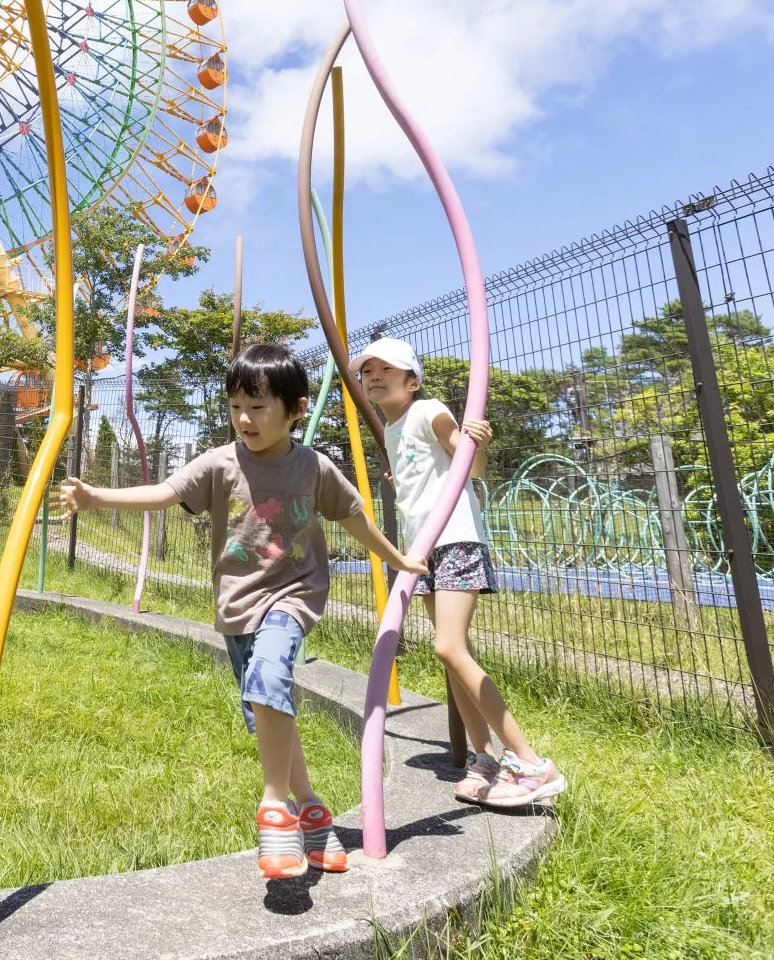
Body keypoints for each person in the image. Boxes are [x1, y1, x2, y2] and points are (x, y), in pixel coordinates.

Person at [55, 343, 426, 879]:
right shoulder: (220, 463)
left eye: (258, 407)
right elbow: (165, 493)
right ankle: (311, 808)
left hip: (292, 596)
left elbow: (355, 518)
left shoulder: (313, 467)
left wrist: (399, 561)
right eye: (235, 407)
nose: (244, 419)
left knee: (272, 674)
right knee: (267, 708)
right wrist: (98, 498)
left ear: (296, 409)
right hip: (237, 607)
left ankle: (275, 808)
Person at [351, 336, 565, 808]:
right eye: (367, 371)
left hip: (454, 540)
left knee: (447, 646)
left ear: (413, 380)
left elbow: (471, 467)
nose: (374, 376)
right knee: (452, 656)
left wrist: (478, 446)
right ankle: (484, 759)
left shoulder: (429, 411)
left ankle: (530, 763)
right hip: (422, 549)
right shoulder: (394, 429)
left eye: (386, 369)